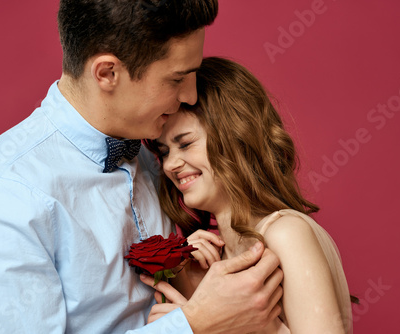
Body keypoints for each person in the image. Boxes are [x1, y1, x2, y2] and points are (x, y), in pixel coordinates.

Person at [0, 2, 284, 333]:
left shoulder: (155, 159)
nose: (192, 96)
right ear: (108, 73)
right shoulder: (3, 193)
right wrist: (196, 324)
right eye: (177, 79)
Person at [144, 57, 354, 333]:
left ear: (236, 137)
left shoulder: (285, 233)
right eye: (164, 152)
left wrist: (260, 325)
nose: (170, 165)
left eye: (185, 143)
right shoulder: (213, 263)